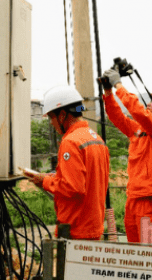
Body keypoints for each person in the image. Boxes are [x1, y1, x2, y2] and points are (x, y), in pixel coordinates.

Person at [101, 67, 152, 245]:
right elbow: (117, 117)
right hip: (134, 197)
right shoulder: (138, 129)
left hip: (151, 199)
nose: (149, 103)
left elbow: (138, 112)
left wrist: (118, 85)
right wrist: (107, 92)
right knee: (136, 252)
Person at [30, 85, 110, 240]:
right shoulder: (96, 139)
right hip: (93, 226)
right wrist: (52, 177)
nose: (52, 123)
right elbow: (86, 181)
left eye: (51, 117)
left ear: (62, 115)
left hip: (76, 229)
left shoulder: (71, 142)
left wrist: (45, 181)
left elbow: (73, 187)